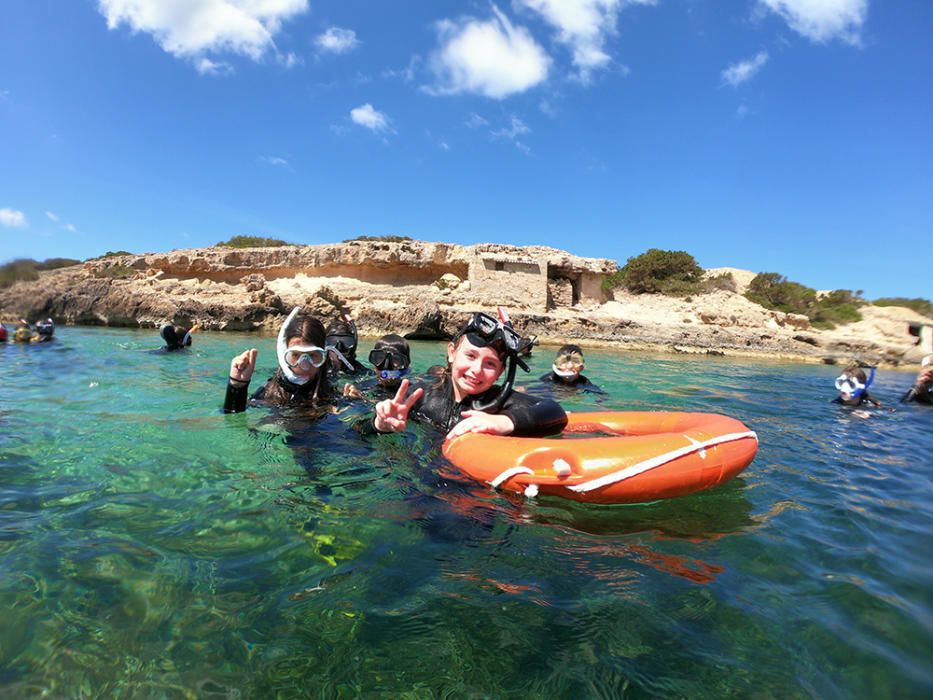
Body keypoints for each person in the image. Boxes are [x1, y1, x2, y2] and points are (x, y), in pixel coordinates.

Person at [369, 310, 567, 439]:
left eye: (490, 364)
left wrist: (501, 421)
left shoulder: (501, 401)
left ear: (500, 372)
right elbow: (361, 433)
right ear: (452, 352)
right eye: (470, 356)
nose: (477, 370)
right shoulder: (421, 395)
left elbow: (555, 412)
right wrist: (380, 424)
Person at [224, 307, 341, 413]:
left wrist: (356, 410)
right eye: (295, 355)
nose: (304, 365)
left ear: (323, 357)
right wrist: (237, 386)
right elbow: (233, 420)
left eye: (313, 356)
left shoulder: (331, 394)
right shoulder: (269, 392)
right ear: (283, 356)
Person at [343, 334, 413, 399]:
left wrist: (364, 399)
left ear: (406, 365)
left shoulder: (412, 392)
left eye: (395, 359)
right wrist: (352, 399)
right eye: (380, 357)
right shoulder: (362, 386)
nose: (386, 365)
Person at [539, 344, 605, 395]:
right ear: (557, 366)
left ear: (581, 367)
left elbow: (601, 394)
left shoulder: (584, 381)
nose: (570, 366)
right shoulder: (548, 379)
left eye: (576, 362)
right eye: (563, 362)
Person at [325, 314, 367, 378]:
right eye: (332, 341)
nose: (339, 347)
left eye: (347, 342)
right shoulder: (318, 370)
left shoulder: (362, 372)